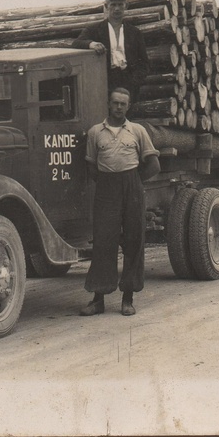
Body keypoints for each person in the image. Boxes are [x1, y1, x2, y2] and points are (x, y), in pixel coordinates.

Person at [79, 87, 161, 317]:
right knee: (104, 241)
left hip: (132, 187)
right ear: (109, 104)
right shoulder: (96, 132)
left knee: (134, 240)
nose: (118, 107)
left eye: (123, 104)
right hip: (106, 188)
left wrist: (135, 182)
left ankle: (128, 298)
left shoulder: (137, 131)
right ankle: (98, 299)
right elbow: (91, 166)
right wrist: (108, 183)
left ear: (129, 106)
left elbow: (154, 165)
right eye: (115, 103)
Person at [72, 0, 149, 102]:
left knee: (126, 115)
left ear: (126, 6)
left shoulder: (134, 32)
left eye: (120, 4)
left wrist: (134, 81)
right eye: (113, 5)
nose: (117, 8)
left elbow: (144, 63)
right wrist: (91, 44)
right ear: (106, 6)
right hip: (105, 81)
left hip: (129, 82)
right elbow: (76, 43)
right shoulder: (95, 29)